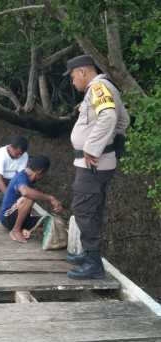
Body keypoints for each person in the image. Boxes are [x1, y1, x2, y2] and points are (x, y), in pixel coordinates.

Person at [62, 55, 130, 280]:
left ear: (81, 72)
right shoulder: (105, 87)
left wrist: (93, 148)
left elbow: (110, 118)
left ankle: (93, 263)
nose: (73, 83)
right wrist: (107, 142)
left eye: (73, 77)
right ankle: (90, 253)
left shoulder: (99, 87)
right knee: (92, 207)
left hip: (92, 164)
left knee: (84, 209)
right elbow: (123, 121)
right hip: (96, 163)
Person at [0, 155, 62, 243]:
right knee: (28, 198)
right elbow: (25, 192)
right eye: (43, 175)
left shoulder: (29, 180)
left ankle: (25, 229)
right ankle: (15, 230)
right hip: (7, 218)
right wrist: (51, 198)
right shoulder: (21, 177)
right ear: (40, 173)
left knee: (49, 222)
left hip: (22, 218)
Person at [0, 136, 29, 208]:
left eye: (21, 154)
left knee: (26, 176)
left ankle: (16, 198)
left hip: (12, 179)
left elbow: (21, 175)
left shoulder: (25, 155)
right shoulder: (1, 154)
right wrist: (11, 200)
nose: (19, 156)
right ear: (11, 147)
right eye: (16, 153)